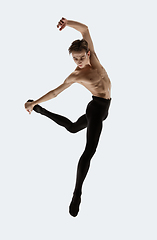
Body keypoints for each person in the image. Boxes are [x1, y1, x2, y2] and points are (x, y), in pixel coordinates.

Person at [24, 17, 112, 217]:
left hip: (105, 108)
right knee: (89, 151)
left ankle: (42, 113)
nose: (79, 62)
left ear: (88, 53)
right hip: (96, 108)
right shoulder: (76, 75)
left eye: (81, 58)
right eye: (75, 59)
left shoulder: (94, 57)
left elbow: (86, 29)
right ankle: (77, 193)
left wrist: (68, 23)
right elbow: (55, 92)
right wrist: (35, 101)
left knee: (72, 128)